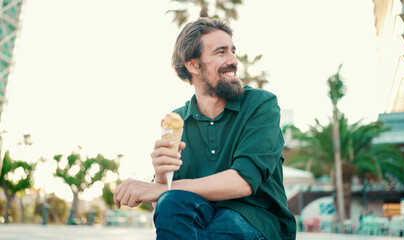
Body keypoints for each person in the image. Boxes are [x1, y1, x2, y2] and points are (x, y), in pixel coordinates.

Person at [114, 17, 296, 240]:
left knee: (223, 225)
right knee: (170, 204)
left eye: (232, 51)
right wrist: (162, 176)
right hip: (200, 215)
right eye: (221, 52)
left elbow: (244, 181)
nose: (233, 60)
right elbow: (162, 203)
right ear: (193, 65)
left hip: (255, 219)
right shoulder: (177, 120)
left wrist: (161, 188)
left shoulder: (260, 105)